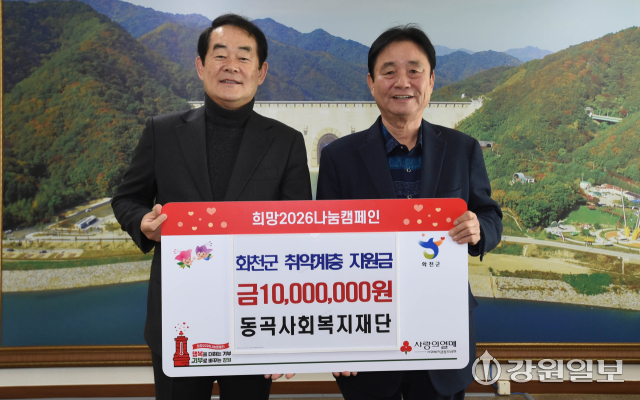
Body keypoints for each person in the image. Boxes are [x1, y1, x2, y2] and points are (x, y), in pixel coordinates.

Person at [112, 14, 311, 400]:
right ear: (201, 66)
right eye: (220, 55)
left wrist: (287, 329)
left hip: (254, 317)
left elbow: (298, 234)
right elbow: (127, 198)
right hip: (178, 319)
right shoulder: (162, 132)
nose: (231, 66)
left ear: (261, 72)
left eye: (244, 57)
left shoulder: (285, 142)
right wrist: (143, 223)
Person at [316, 24, 502, 400]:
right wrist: (334, 334)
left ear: (431, 81)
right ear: (371, 83)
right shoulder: (339, 157)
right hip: (367, 331)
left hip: (441, 332)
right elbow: (324, 246)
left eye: (414, 71)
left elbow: (490, 216)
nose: (403, 82)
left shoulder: (462, 149)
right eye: (389, 71)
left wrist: (479, 229)